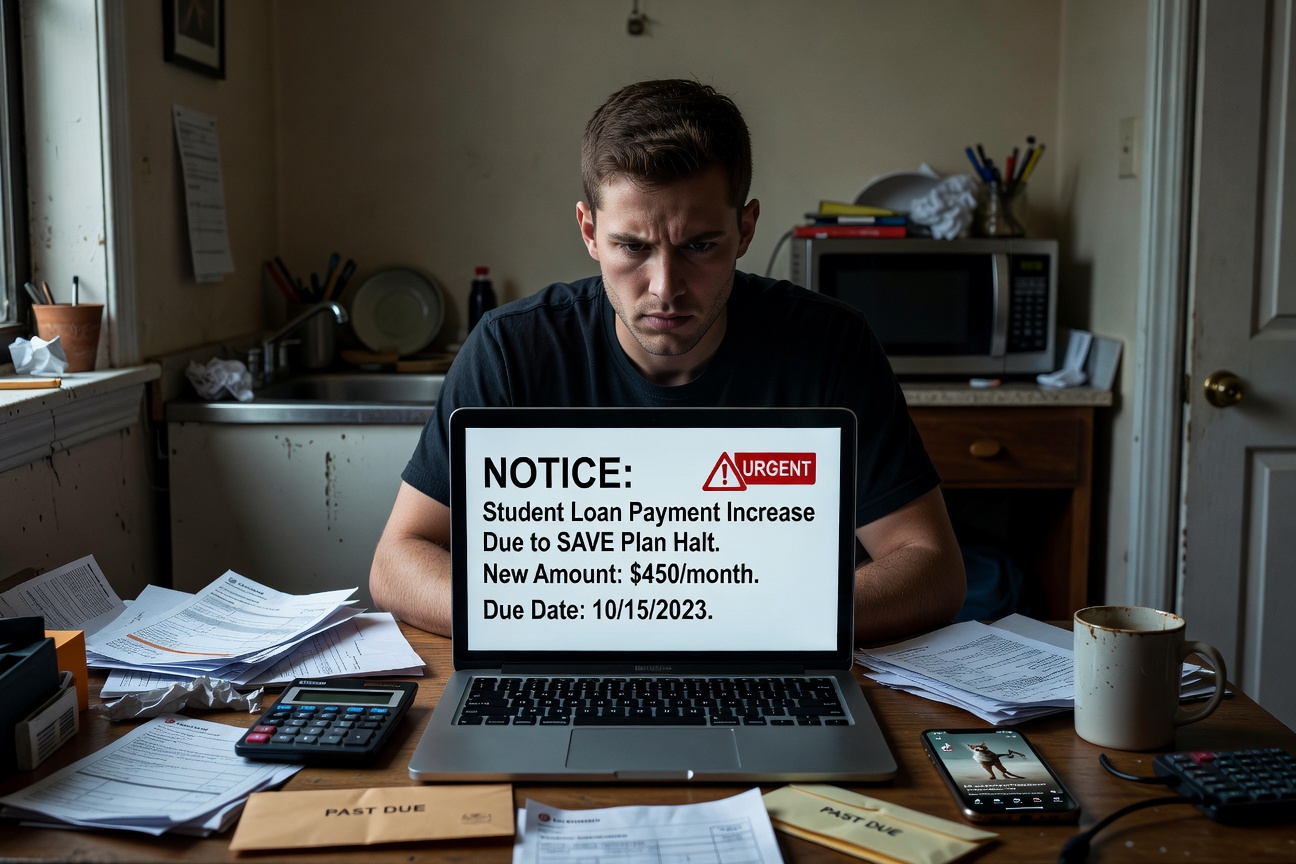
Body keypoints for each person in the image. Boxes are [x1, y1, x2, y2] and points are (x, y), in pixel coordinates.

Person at [370, 78, 965, 641]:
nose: (664, 287)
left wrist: (742, 620)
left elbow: (932, 567)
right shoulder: (511, 349)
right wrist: (563, 620)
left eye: (699, 246)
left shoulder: (830, 345)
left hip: (770, 662)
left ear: (747, 228)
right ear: (589, 231)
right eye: (632, 246)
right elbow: (397, 562)